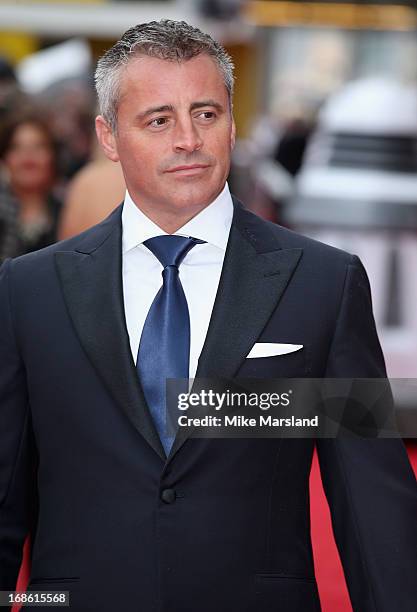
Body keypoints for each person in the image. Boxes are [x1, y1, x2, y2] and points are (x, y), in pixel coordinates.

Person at [0, 20, 416, 612]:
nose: (188, 140)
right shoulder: (29, 290)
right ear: (109, 135)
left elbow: (373, 503)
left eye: (206, 114)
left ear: (232, 123)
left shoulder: (324, 283)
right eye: (159, 119)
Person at [0, 113, 62, 262]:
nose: (28, 155)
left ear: (52, 156)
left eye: (38, 146)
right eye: (17, 147)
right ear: (5, 158)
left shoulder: (68, 210)